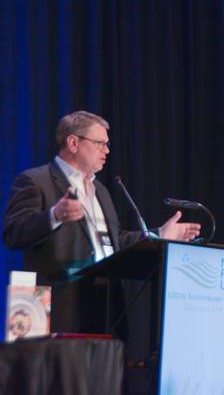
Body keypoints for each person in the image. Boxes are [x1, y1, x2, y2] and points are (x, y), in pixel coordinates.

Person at [3, 110, 201, 332]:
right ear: (73, 142)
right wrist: (55, 215)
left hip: (106, 305)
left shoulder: (102, 191)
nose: (106, 151)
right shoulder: (35, 181)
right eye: (99, 143)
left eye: (107, 144)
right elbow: (13, 233)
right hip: (61, 306)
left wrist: (159, 234)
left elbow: (112, 242)